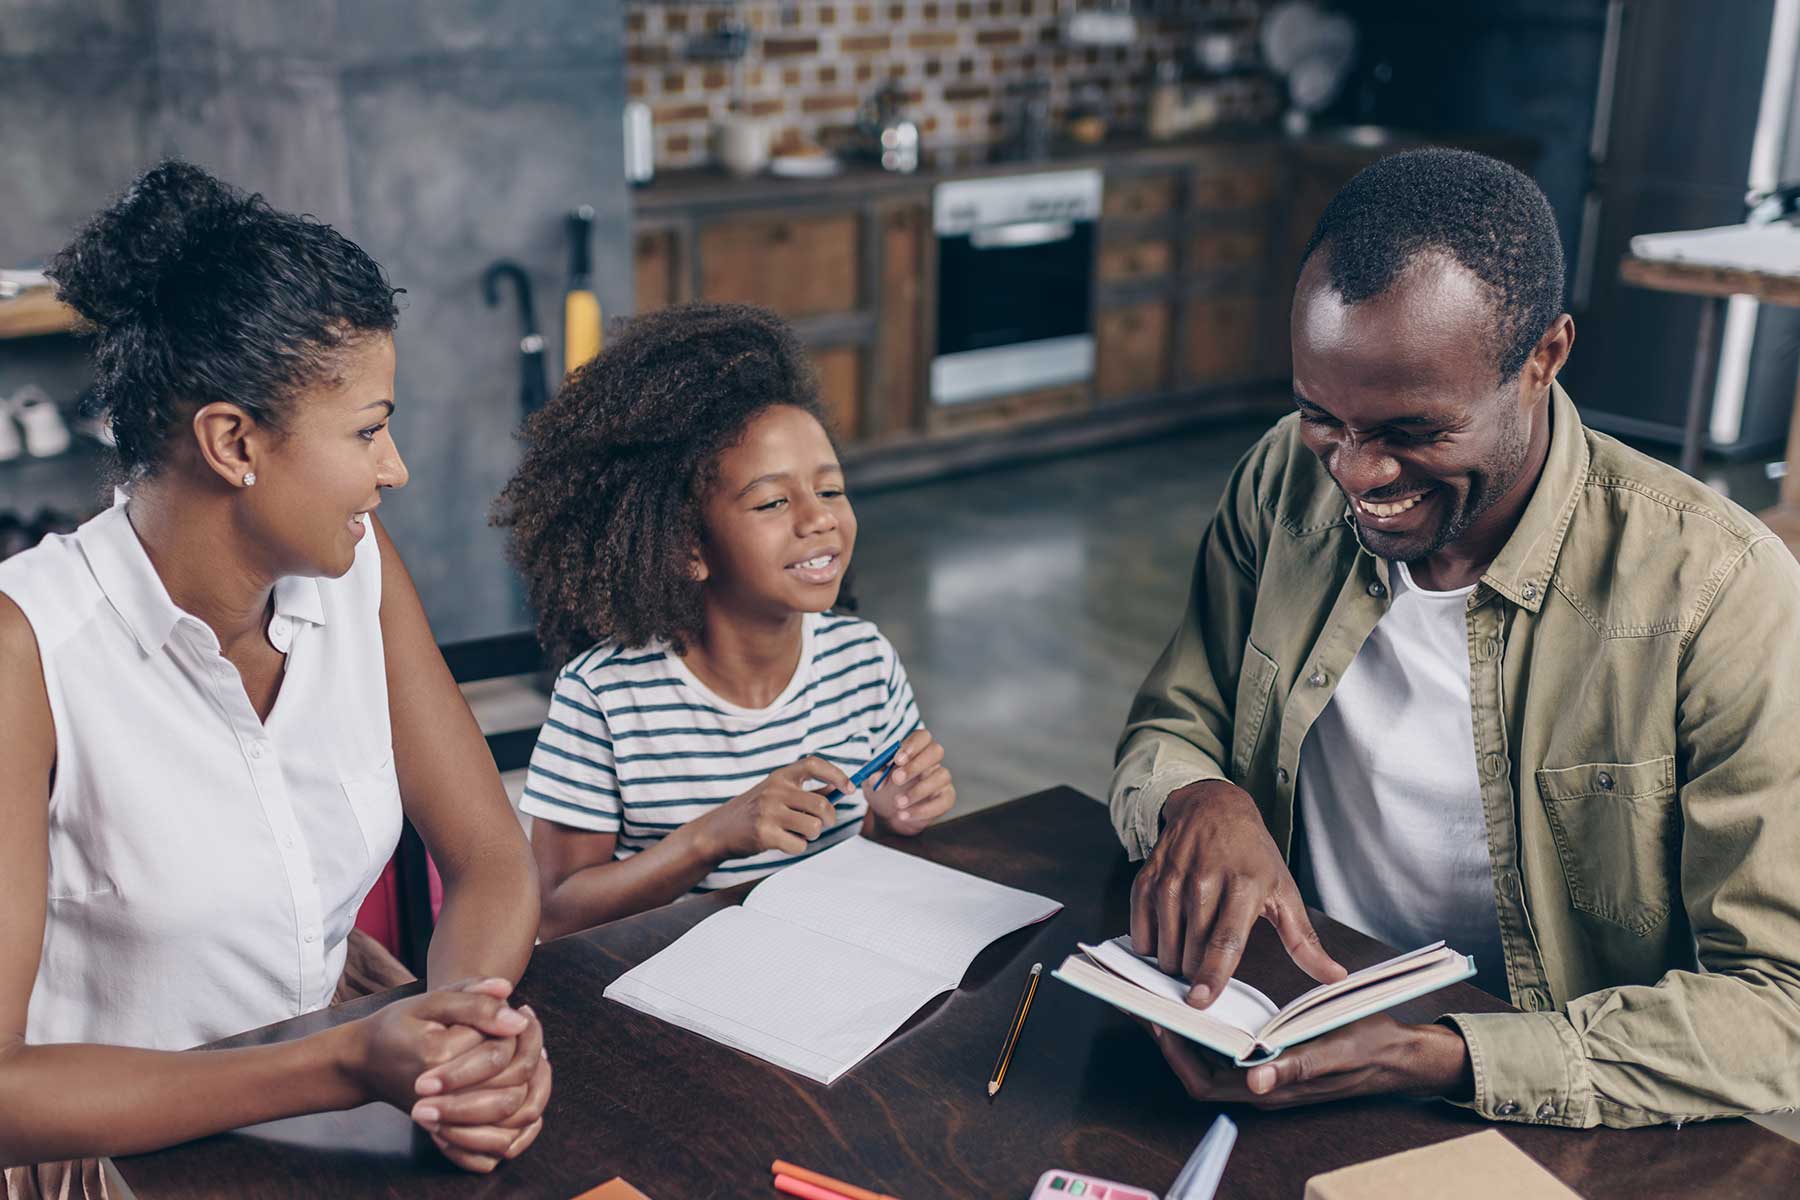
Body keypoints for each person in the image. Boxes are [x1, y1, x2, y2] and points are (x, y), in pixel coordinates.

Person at [1112, 148, 1800, 1128]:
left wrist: (1441, 1056)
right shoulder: (1281, 478)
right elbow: (1176, 718)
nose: (1356, 472)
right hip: (1296, 1035)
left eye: (1413, 431)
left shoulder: (1720, 592)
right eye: (1322, 417)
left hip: (1553, 1102)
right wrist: (1199, 794)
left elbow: (1782, 1008)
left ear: (1544, 358)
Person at [0, 163, 551, 1193]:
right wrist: (344, 1060)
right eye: (366, 429)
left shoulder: (360, 577)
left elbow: (491, 859)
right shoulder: (26, 651)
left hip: (324, 1123)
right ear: (233, 442)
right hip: (113, 1165)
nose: (394, 470)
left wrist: (462, 1035)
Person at [495, 302, 956, 937]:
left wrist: (894, 818)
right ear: (687, 546)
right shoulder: (604, 698)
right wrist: (711, 837)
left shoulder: (864, 662)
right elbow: (554, 913)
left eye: (830, 490)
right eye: (772, 501)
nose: (818, 518)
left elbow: (872, 856)